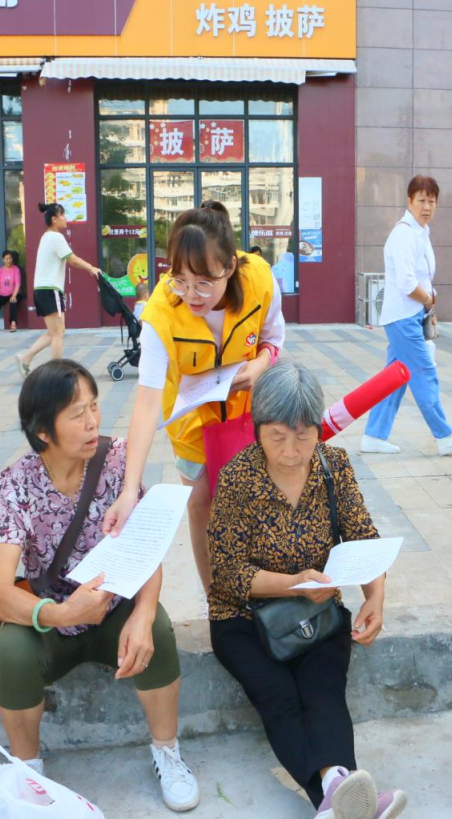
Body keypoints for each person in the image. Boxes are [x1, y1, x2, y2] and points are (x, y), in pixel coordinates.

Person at [0, 359, 200, 812]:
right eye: (77, 414)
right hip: (51, 614)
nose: (92, 422)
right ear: (43, 431)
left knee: (158, 631)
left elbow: (147, 545)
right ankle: (28, 770)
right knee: (13, 653)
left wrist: (143, 614)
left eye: (94, 406)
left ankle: (167, 752)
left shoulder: (118, 460)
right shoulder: (16, 485)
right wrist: (60, 613)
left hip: (112, 609)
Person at [207, 364, 406, 819]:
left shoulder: (334, 467)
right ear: (258, 429)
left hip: (318, 611)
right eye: (277, 437)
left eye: (303, 436)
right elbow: (227, 572)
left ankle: (335, 795)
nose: (291, 451)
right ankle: (341, 794)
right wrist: (293, 583)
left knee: (324, 687)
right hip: (243, 617)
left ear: (319, 429)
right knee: (279, 695)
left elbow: (362, 538)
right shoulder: (238, 477)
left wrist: (375, 598)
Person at [102, 202, 285, 594]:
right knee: (200, 504)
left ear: (230, 267)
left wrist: (260, 365)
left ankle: (260, 590)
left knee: (250, 502)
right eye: (179, 280)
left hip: (245, 417)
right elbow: (147, 403)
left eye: (203, 283)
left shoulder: (260, 280)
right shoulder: (160, 313)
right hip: (191, 422)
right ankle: (215, 599)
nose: (191, 295)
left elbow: (273, 339)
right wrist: (130, 490)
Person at [360, 175, 452, 458]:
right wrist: (427, 300)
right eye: (421, 200)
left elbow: (422, 278)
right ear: (409, 201)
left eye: (431, 201)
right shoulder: (404, 234)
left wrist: (428, 304)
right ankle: (444, 436)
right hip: (404, 317)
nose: (426, 206)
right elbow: (407, 283)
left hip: (408, 315)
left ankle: (374, 436)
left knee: (395, 378)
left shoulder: (421, 232)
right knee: (424, 372)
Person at [16, 203, 101, 377]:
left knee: (56, 332)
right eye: (62, 215)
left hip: (44, 290)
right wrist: (91, 268)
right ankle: (56, 373)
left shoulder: (46, 237)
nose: (65, 218)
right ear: (54, 219)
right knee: (57, 334)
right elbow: (72, 259)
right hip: (49, 290)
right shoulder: (55, 237)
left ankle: (26, 358)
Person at [0, 249, 23, 333]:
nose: (9, 260)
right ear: (3, 259)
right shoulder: (0, 270)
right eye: (7, 258)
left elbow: (18, 284)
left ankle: (13, 324)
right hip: (2, 294)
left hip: (14, 293)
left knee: (13, 302)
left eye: (10, 258)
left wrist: (14, 295)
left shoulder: (16, 269)